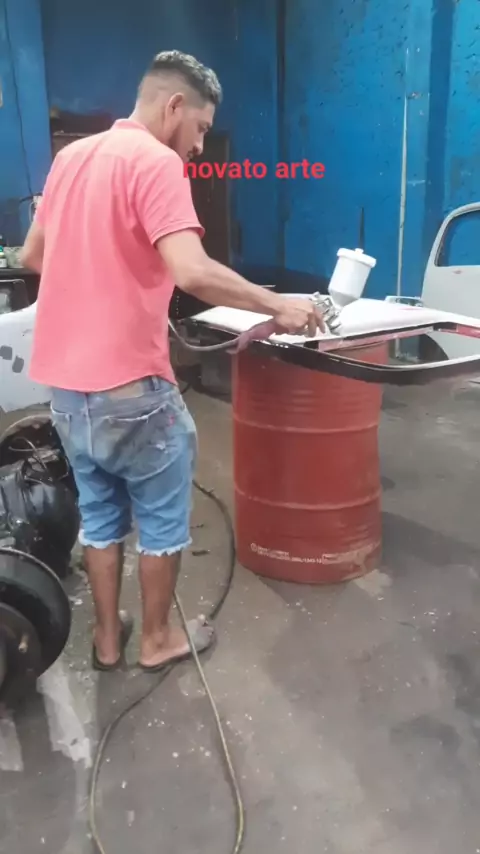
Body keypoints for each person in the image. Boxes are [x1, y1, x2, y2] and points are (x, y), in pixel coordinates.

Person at [20, 50, 325, 672]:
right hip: (132, 389)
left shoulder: (71, 158)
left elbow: (32, 256)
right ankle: (157, 640)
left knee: (100, 518)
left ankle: (108, 641)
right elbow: (192, 270)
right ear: (175, 106)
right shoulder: (156, 162)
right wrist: (279, 304)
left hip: (67, 391)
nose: (201, 146)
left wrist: (107, 281)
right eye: (202, 128)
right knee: (161, 520)